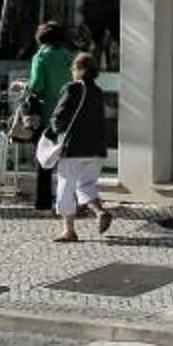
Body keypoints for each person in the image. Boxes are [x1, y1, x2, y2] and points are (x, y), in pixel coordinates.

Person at [47, 49, 113, 242]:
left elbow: (58, 118)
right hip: (96, 149)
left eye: (73, 67)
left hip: (74, 148)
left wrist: (53, 130)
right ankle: (99, 212)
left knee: (66, 187)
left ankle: (69, 230)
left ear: (78, 69)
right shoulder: (98, 92)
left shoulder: (72, 89)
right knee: (86, 185)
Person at [22, 21, 75, 213]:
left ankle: (43, 204)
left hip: (46, 115)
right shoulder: (69, 57)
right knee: (67, 162)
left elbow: (37, 85)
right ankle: (70, 202)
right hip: (67, 114)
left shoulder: (41, 57)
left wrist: (23, 86)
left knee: (44, 160)